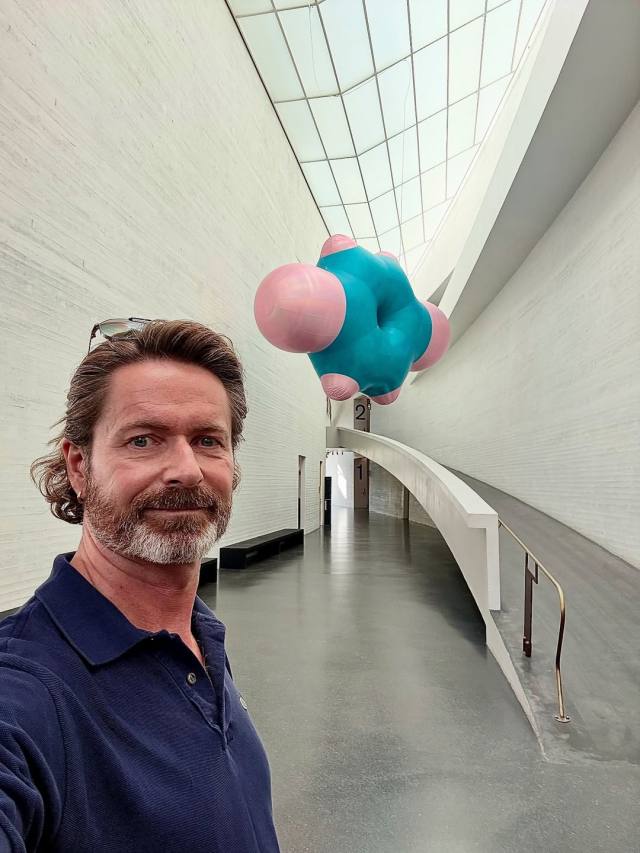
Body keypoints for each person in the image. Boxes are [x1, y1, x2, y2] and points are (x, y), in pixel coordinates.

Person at [0, 318, 281, 852]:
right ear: (79, 466)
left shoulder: (200, 634)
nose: (187, 470)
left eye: (208, 441)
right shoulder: (26, 690)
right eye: (143, 440)